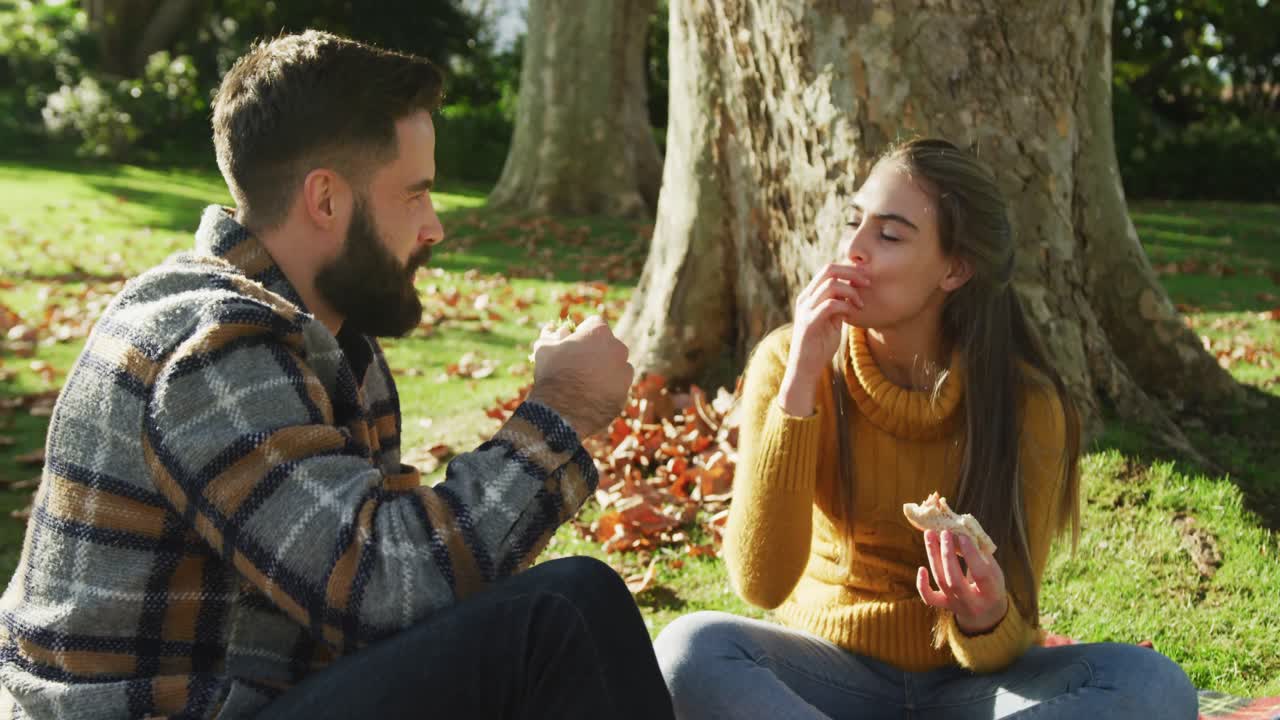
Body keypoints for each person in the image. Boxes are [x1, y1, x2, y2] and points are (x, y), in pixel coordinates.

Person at [0, 31, 675, 720]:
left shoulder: (325, 335)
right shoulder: (213, 349)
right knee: (564, 611)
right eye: (415, 195)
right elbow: (384, 589)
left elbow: (404, 597)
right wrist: (559, 411)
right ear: (326, 199)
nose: (435, 228)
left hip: (248, 700)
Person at [653, 139, 1198, 719]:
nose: (853, 249)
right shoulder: (790, 363)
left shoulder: (1027, 404)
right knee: (690, 651)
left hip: (968, 692)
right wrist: (801, 383)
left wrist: (986, 615)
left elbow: (1009, 639)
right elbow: (760, 585)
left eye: (889, 235)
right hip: (826, 677)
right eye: (854, 222)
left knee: (1152, 684)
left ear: (954, 269)